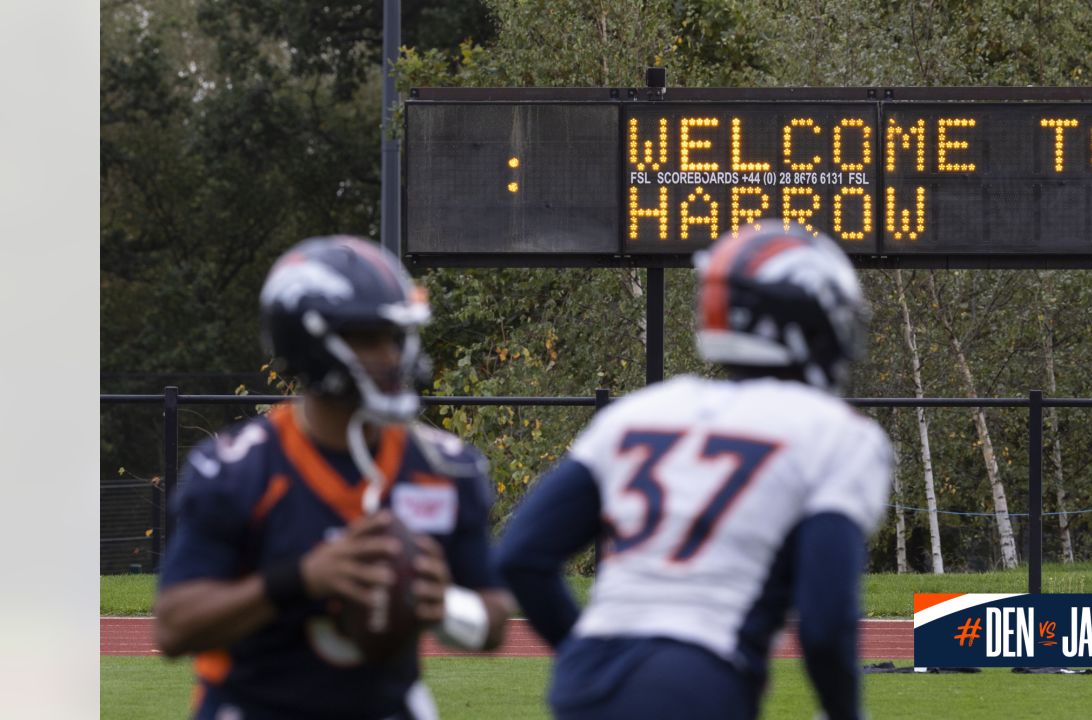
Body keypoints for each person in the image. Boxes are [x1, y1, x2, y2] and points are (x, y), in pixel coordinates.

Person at [495, 220, 894, 720]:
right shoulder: (835, 433)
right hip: (701, 676)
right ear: (809, 319)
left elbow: (521, 557)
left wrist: (582, 650)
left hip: (586, 681)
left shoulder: (638, 412)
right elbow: (824, 621)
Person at [155, 235, 512, 719]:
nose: (389, 355)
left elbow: (493, 621)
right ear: (305, 341)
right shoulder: (237, 470)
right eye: (367, 337)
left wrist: (446, 606)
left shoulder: (445, 469)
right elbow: (175, 628)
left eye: (395, 336)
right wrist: (301, 579)